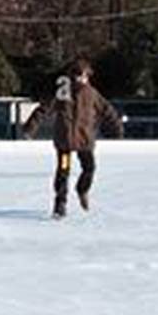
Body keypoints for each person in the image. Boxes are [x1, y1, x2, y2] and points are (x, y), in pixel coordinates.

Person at [22, 58, 124, 219]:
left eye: (83, 76)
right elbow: (43, 110)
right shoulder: (62, 94)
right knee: (63, 171)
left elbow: (108, 111)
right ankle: (60, 204)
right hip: (65, 142)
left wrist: (117, 128)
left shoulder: (92, 95)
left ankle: (82, 190)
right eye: (77, 75)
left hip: (85, 141)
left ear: (88, 76)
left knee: (89, 168)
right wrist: (30, 128)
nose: (80, 79)